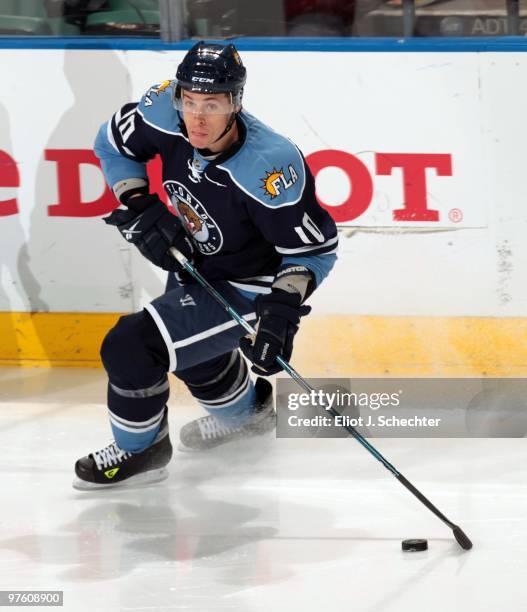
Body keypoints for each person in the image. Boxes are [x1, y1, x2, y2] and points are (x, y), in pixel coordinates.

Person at [73, 41, 338, 490]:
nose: (197, 117)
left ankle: (143, 450)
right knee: (194, 357)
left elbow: (314, 250)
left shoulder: (268, 166)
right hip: (199, 263)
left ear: (236, 102)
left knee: (132, 347)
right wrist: (138, 202)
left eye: (212, 104)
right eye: (190, 101)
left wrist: (281, 312)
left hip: (253, 286)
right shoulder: (161, 110)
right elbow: (112, 145)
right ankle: (246, 416)